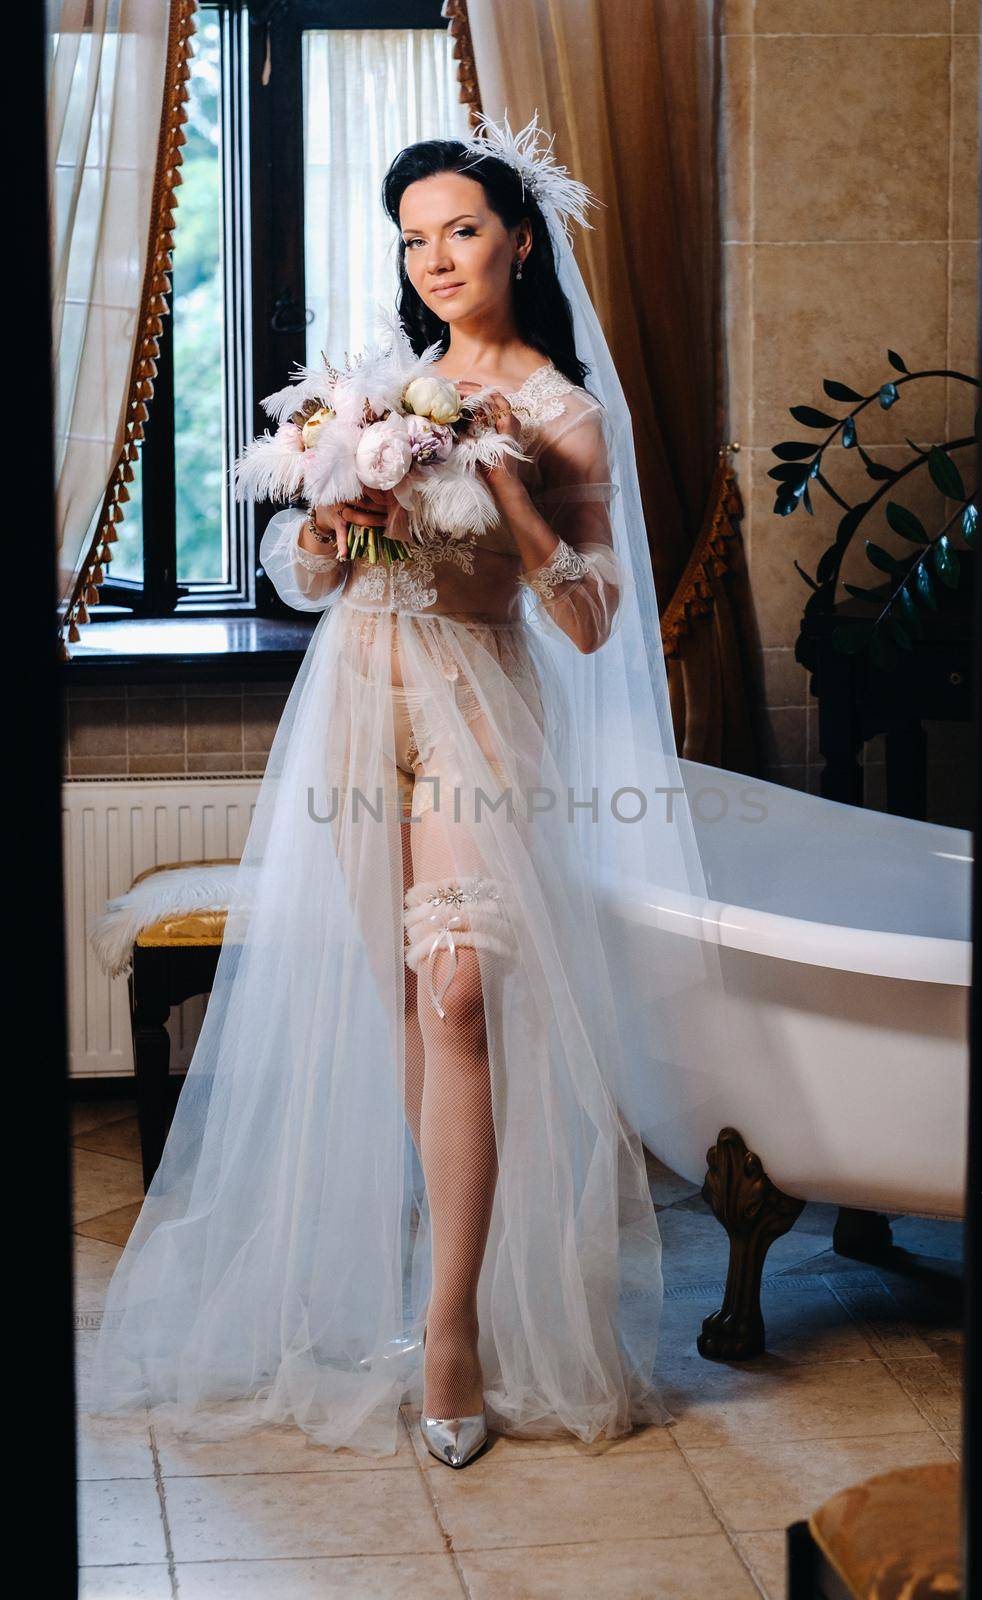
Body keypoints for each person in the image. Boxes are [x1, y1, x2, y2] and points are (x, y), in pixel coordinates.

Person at [88, 110, 720, 1470]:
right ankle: (419, 1277)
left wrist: (513, 484)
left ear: (519, 240)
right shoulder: (376, 390)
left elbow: (597, 620)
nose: (438, 257)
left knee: (464, 995)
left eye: (464, 231)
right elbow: (309, 575)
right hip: (358, 694)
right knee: (398, 1008)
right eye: (416, 238)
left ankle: (452, 1336)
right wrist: (332, 520)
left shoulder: (566, 413)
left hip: (482, 702)